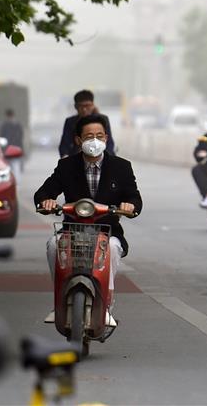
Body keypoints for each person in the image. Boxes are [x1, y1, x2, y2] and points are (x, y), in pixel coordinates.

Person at [35, 114, 141, 323]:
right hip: (72, 231)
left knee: (111, 248)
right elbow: (43, 193)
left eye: (99, 136)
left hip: (107, 231)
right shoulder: (66, 167)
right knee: (53, 246)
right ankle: (58, 304)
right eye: (89, 136)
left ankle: (107, 307)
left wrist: (130, 205)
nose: (95, 140)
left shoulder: (122, 166)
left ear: (106, 138)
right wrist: (46, 202)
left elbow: (134, 197)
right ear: (78, 140)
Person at [58, 90, 116, 158]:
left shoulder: (103, 120)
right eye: (81, 106)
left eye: (87, 106)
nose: (84, 109)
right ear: (75, 106)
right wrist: (66, 161)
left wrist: (108, 159)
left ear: (93, 105)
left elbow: (109, 144)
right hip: (76, 158)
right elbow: (65, 145)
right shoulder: (70, 122)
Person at [0, 109, 25, 178]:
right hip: (16, 148)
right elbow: (21, 136)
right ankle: (16, 180)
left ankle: (13, 179)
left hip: (8, 149)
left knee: (10, 166)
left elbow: (2, 136)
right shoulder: (17, 124)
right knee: (15, 166)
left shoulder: (4, 125)